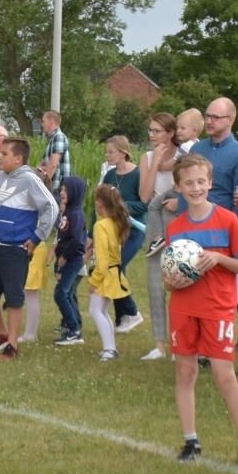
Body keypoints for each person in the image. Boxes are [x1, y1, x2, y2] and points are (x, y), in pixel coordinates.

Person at [165, 155, 238, 466]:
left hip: (217, 307)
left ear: (210, 183)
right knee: (185, 371)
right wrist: (173, 282)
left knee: (223, 375)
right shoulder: (176, 227)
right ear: (178, 187)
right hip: (183, 308)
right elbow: (168, 277)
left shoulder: (229, 219)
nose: (195, 187)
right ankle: (191, 441)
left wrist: (217, 259)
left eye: (201, 181)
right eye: (188, 183)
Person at [0, 137, 57, 360]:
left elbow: (50, 207)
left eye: (4, 154)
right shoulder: (1, 175)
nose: (0, 157)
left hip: (15, 249)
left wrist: (37, 237)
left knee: (14, 298)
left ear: (18, 158)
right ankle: (2, 333)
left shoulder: (30, 180)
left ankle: (12, 343)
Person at [137, 112, 183, 360]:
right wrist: (154, 164)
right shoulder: (146, 157)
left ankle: (180, 342)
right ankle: (159, 344)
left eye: (157, 131)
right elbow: (144, 196)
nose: (152, 135)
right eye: (150, 130)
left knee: (179, 282)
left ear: (170, 133)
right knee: (155, 285)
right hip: (155, 222)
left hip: (179, 221)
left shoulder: (184, 157)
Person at [99, 135, 144, 333]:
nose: (107, 155)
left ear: (123, 153)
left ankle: (132, 312)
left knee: (117, 266)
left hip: (134, 230)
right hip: (115, 230)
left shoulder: (138, 175)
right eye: (107, 151)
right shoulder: (109, 176)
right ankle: (122, 318)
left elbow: (144, 204)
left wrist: (122, 206)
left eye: (111, 151)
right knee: (116, 268)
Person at [87, 184, 135, 361]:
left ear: (99, 203)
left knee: (95, 310)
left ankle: (109, 349)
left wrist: (94, 280)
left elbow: (102, 258)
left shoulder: (101, 226)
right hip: (113, 273)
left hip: (105, 274)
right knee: (102, 310)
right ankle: (110, 347)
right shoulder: (115, 222)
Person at [184, 98, 238, 214]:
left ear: (230, 120)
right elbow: (185, 187)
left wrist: (232, 229)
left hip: (221, 225)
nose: (209, 121)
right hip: (191, 221)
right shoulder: (196, 149)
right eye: (207, 116)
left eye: (215, 117)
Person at [51, 175, 88, 346]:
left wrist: (64, 257)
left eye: (66, 189)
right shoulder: (67, 211)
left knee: (61, 294)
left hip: (72, 260)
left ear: (75, 191)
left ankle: (74, 331)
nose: (62, 192)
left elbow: (77, 240)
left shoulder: (76, 214)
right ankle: (72, 326)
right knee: (65, 293)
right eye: (62, 188)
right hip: (64, 259)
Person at [39, 110, 71, 197]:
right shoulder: (52, 139)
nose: (42, 125)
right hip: (54, 188)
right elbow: (42, 163)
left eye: (43, 121)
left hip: (57, 188)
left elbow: (53, 164)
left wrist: (43, 185)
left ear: (50, 122)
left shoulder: (58, 137)